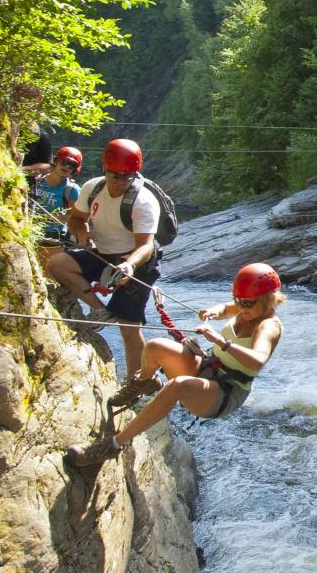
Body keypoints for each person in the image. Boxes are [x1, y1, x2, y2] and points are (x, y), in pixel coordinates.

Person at [65, 263, 286, 467]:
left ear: (267, 299)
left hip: (227, 392)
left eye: (247, 303)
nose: (242, 307)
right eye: (239, 301)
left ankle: (112, 445)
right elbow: (225, 309)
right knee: (154, 347)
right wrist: (213, 312)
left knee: (177, 386)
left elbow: (257, 361)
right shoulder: (244, 306)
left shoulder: (268, 327)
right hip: (207, 367)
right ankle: (143, 384)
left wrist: (220, 341)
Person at [44, 138, 162, 377]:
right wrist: (82, 235)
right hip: (102, 252)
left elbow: (146, 245)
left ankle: (138, 382)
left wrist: (129, 265)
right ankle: (100, 310)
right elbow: (77, 218)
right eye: (115, 175)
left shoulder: (144, 202)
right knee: (57, 264)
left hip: (137, 260)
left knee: (128, 328)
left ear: (135, 174)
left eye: (126, 177)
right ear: (104, 169)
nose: (120, 182)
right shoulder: (92, 188)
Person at [31, 146, 83, 256]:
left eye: (71, 165)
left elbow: (75, 217)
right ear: (56, 161)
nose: (67, 167)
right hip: (30, 228)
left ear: (74, 169)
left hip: (53, 236)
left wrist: (52, 217)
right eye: (64, 162)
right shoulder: (38, 181)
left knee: (46, 270)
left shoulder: (72, 190)